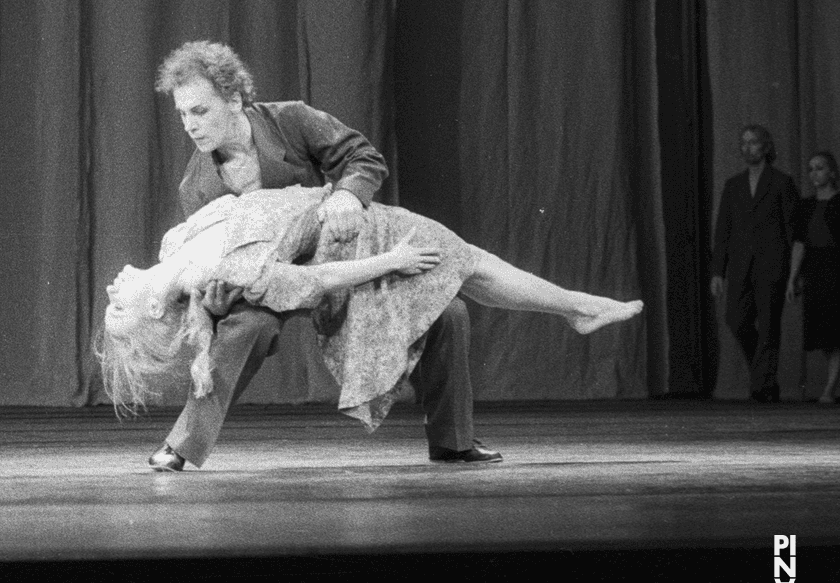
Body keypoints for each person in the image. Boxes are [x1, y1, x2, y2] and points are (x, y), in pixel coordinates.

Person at [120, 41, 484, 471]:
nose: (190, 126)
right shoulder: (197, 188)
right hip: (270, 282)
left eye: (199, 111)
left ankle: (453, 441)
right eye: (182, 114)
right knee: (244, 328)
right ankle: (181, 446)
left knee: (450, 310)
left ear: (234, 99)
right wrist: (214, 303)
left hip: (339, 257)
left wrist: (348, 193)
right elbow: (207, 274)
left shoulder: (288, 120)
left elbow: (362, 156)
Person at [97, 184, 643, 433]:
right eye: (118, 311)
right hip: (357, 241)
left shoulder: (176, 241)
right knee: (466, 260)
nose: (110, 293)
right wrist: (391, 259)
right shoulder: (218, 275)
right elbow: (314, 281)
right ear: (152, 313)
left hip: (343, 208)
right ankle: (577, 307)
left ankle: (575, 308)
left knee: (468, 263)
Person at [711, 124, 801, 402]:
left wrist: (794, 275)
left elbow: (793, 231)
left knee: (770, 326)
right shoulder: (733, 185)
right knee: (736, 320)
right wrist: (717, 272)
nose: (746, 147)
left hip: (772, 266)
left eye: (752, 142)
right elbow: (723, 231)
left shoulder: (781, 182)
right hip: (740, 267)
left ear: (765, 147)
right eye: (743, 142)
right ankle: (763, 377)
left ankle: (763, 387)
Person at [787, 151, 840, 403]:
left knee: (836, 330)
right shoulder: (805, 205)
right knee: (825, 333)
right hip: (815, 270)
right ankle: (831, 387)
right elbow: (800, 243)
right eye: (810, 169)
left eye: (819, 168)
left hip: (836, 267)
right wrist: (793, 277)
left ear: (832, 172)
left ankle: (829, 390)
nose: (814, 173)